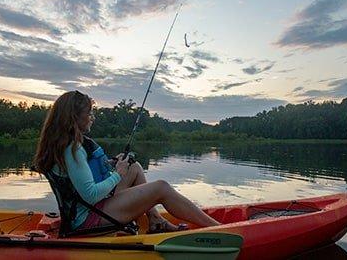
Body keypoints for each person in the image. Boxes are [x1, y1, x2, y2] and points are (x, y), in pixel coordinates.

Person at [34, 90, 219, 234]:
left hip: (89, 209)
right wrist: (117, 175)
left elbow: (81, 178)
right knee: (161, 187)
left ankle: (155, 220)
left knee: (135, 167)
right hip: (87, 218)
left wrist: (112, 165)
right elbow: (90, 194)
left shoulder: (66, 144)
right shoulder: (72, 149)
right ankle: (218, 228)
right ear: (74, 117)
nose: (92, 117)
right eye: (89, 113)